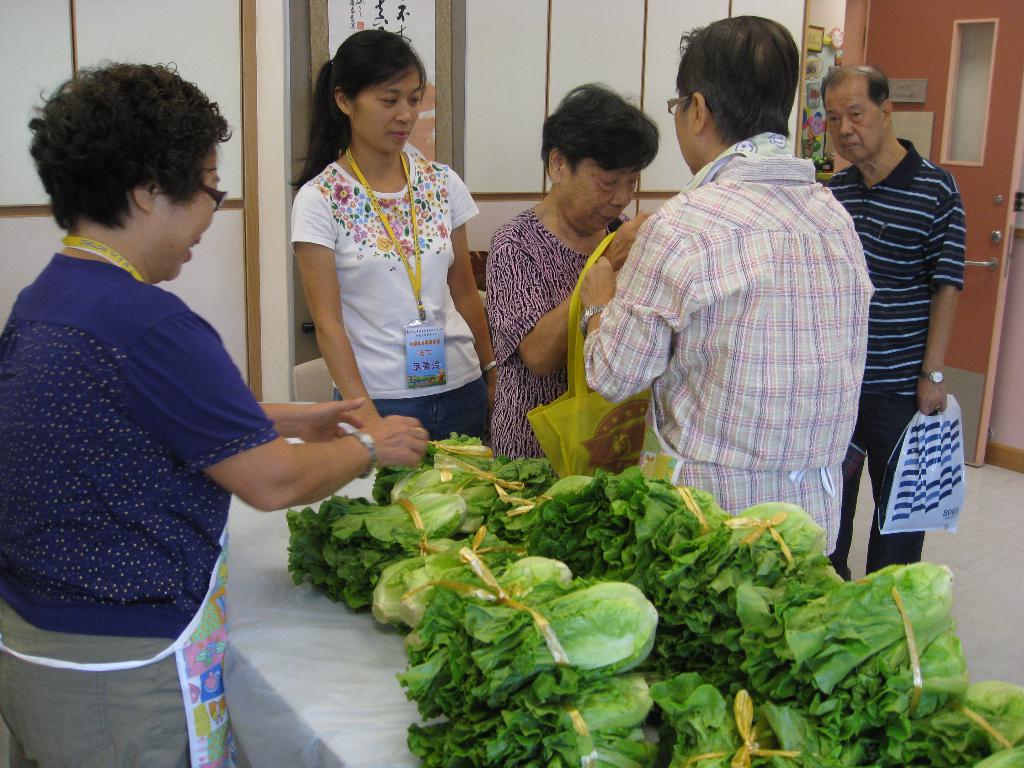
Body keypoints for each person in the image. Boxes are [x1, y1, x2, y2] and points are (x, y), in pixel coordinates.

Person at [0, 62, 427, 768]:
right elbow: (273, 484)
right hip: (120, 670)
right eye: (208, 188)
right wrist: (371, 447)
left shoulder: (50, 296)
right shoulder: (150, 321)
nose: (211, 213)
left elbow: (130, 410)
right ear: (146, 192)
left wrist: (289, 418)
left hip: (36, 639)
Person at [579, 16, 874, 552]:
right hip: (811, 521)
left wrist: (598, 305)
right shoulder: (835, 219)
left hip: (708, 528)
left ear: (698, 109)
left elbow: (615, 375)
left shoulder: (682, 226)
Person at [292, 29, 495, 440]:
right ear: (344, 100)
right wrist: (365, 414)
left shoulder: (441, 182)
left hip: (461, 386)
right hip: (380, 400)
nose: (405, 114)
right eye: (389, 99)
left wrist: (491, 373)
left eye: (414, 99)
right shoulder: (321, 198)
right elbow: (327, 322)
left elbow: (464, 292)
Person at [823, 65, 966, 579]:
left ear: (887, 112)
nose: (844, 130)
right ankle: (828, 597)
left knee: (899, 514)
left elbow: (946, 284)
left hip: (899, 385)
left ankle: (890, 608)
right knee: (828, 504)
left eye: (855, 115)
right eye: (833, 118)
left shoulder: (936, 189)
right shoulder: (834, 193)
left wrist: (932, 375)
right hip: (838, 384)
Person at [486, 84, 658, 458]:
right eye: (608, 182)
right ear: (559, 165)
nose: (622, 198)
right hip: (532, 453)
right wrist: (609, 263)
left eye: (632, 182)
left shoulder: (620, 231)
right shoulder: (515, 245)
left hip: (607, 440)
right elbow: (539, 357)